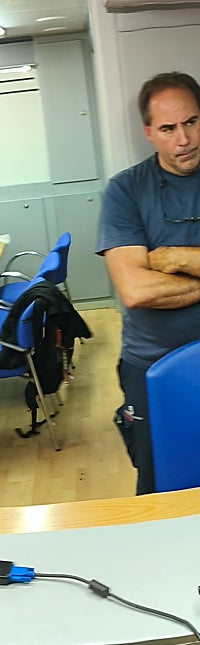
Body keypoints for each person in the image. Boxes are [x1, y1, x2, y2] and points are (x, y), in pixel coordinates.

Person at [98, 71, 200, 495]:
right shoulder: (126, 190)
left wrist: (175, 258)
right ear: (148, 132)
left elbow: (151, 280)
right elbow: (136, 290)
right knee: (162, 482)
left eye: (192, 122)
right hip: (153, 363)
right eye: (168, 128)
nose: (184, 139)